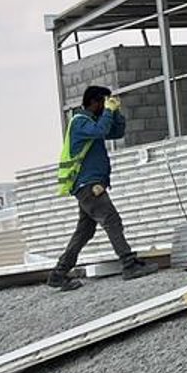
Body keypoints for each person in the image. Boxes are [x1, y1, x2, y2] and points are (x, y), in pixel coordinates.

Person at [50, 86, 154, 290]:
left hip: (89, 185)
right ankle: (129, 264)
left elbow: (116, 132)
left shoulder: (92, 122)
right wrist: (108, 112)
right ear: (94, 102)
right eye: (104, 102)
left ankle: (58, 274)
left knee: (84, 231)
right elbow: (101, 130)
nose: (105, 106)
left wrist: (115, 112)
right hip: (88, 185)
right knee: (112, 220)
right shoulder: (79, 122)